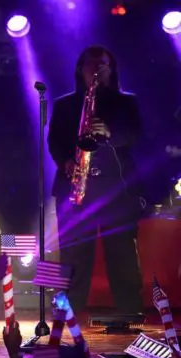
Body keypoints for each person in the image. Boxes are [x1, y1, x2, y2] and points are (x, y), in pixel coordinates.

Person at [48, 45, 144, 315]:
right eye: (93, 65)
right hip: (75, 187)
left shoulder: (126, 102)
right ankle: (70, 314)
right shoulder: (65, 104)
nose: (98, 70)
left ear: (111, 71)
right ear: (81, 70)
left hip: (116, 190)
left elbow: (137, 136)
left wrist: (111, 133)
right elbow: (54, 140)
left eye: (104, 65)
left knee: (122, 254)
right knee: (74, 254)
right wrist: (65, 161)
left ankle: (129, 312)